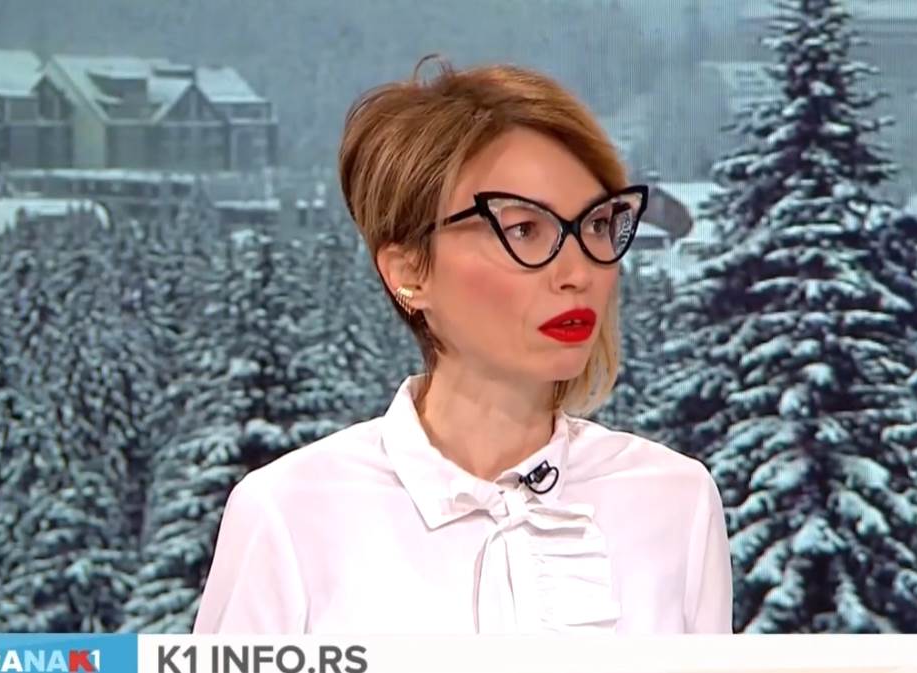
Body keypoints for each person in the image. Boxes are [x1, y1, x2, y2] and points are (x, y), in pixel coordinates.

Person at [191, 56, 732, 635]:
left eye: (597, 225)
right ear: (409, 271)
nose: (578, 273)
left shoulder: (677, 501)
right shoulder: (289, 514)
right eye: (523, 230)